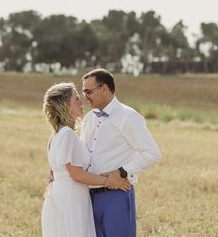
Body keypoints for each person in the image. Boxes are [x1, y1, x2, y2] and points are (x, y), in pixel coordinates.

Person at [41, 82, 131, 237]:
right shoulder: (67, 134)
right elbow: (77, 174)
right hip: (71, 197)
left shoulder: (56, 135)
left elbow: (58, 170)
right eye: (76, 99)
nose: (81, 102)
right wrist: (111, 181)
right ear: (65, 105)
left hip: (63, 194)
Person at [80, 68, 162, 237]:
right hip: (88, 198)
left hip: (117, 196)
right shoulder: (88, 119)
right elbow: (82, 155)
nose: (85, 96)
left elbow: (152, 153)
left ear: (104, 89)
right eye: (83, 92)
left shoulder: (128, 116)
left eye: (88, 91)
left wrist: (122, 172)